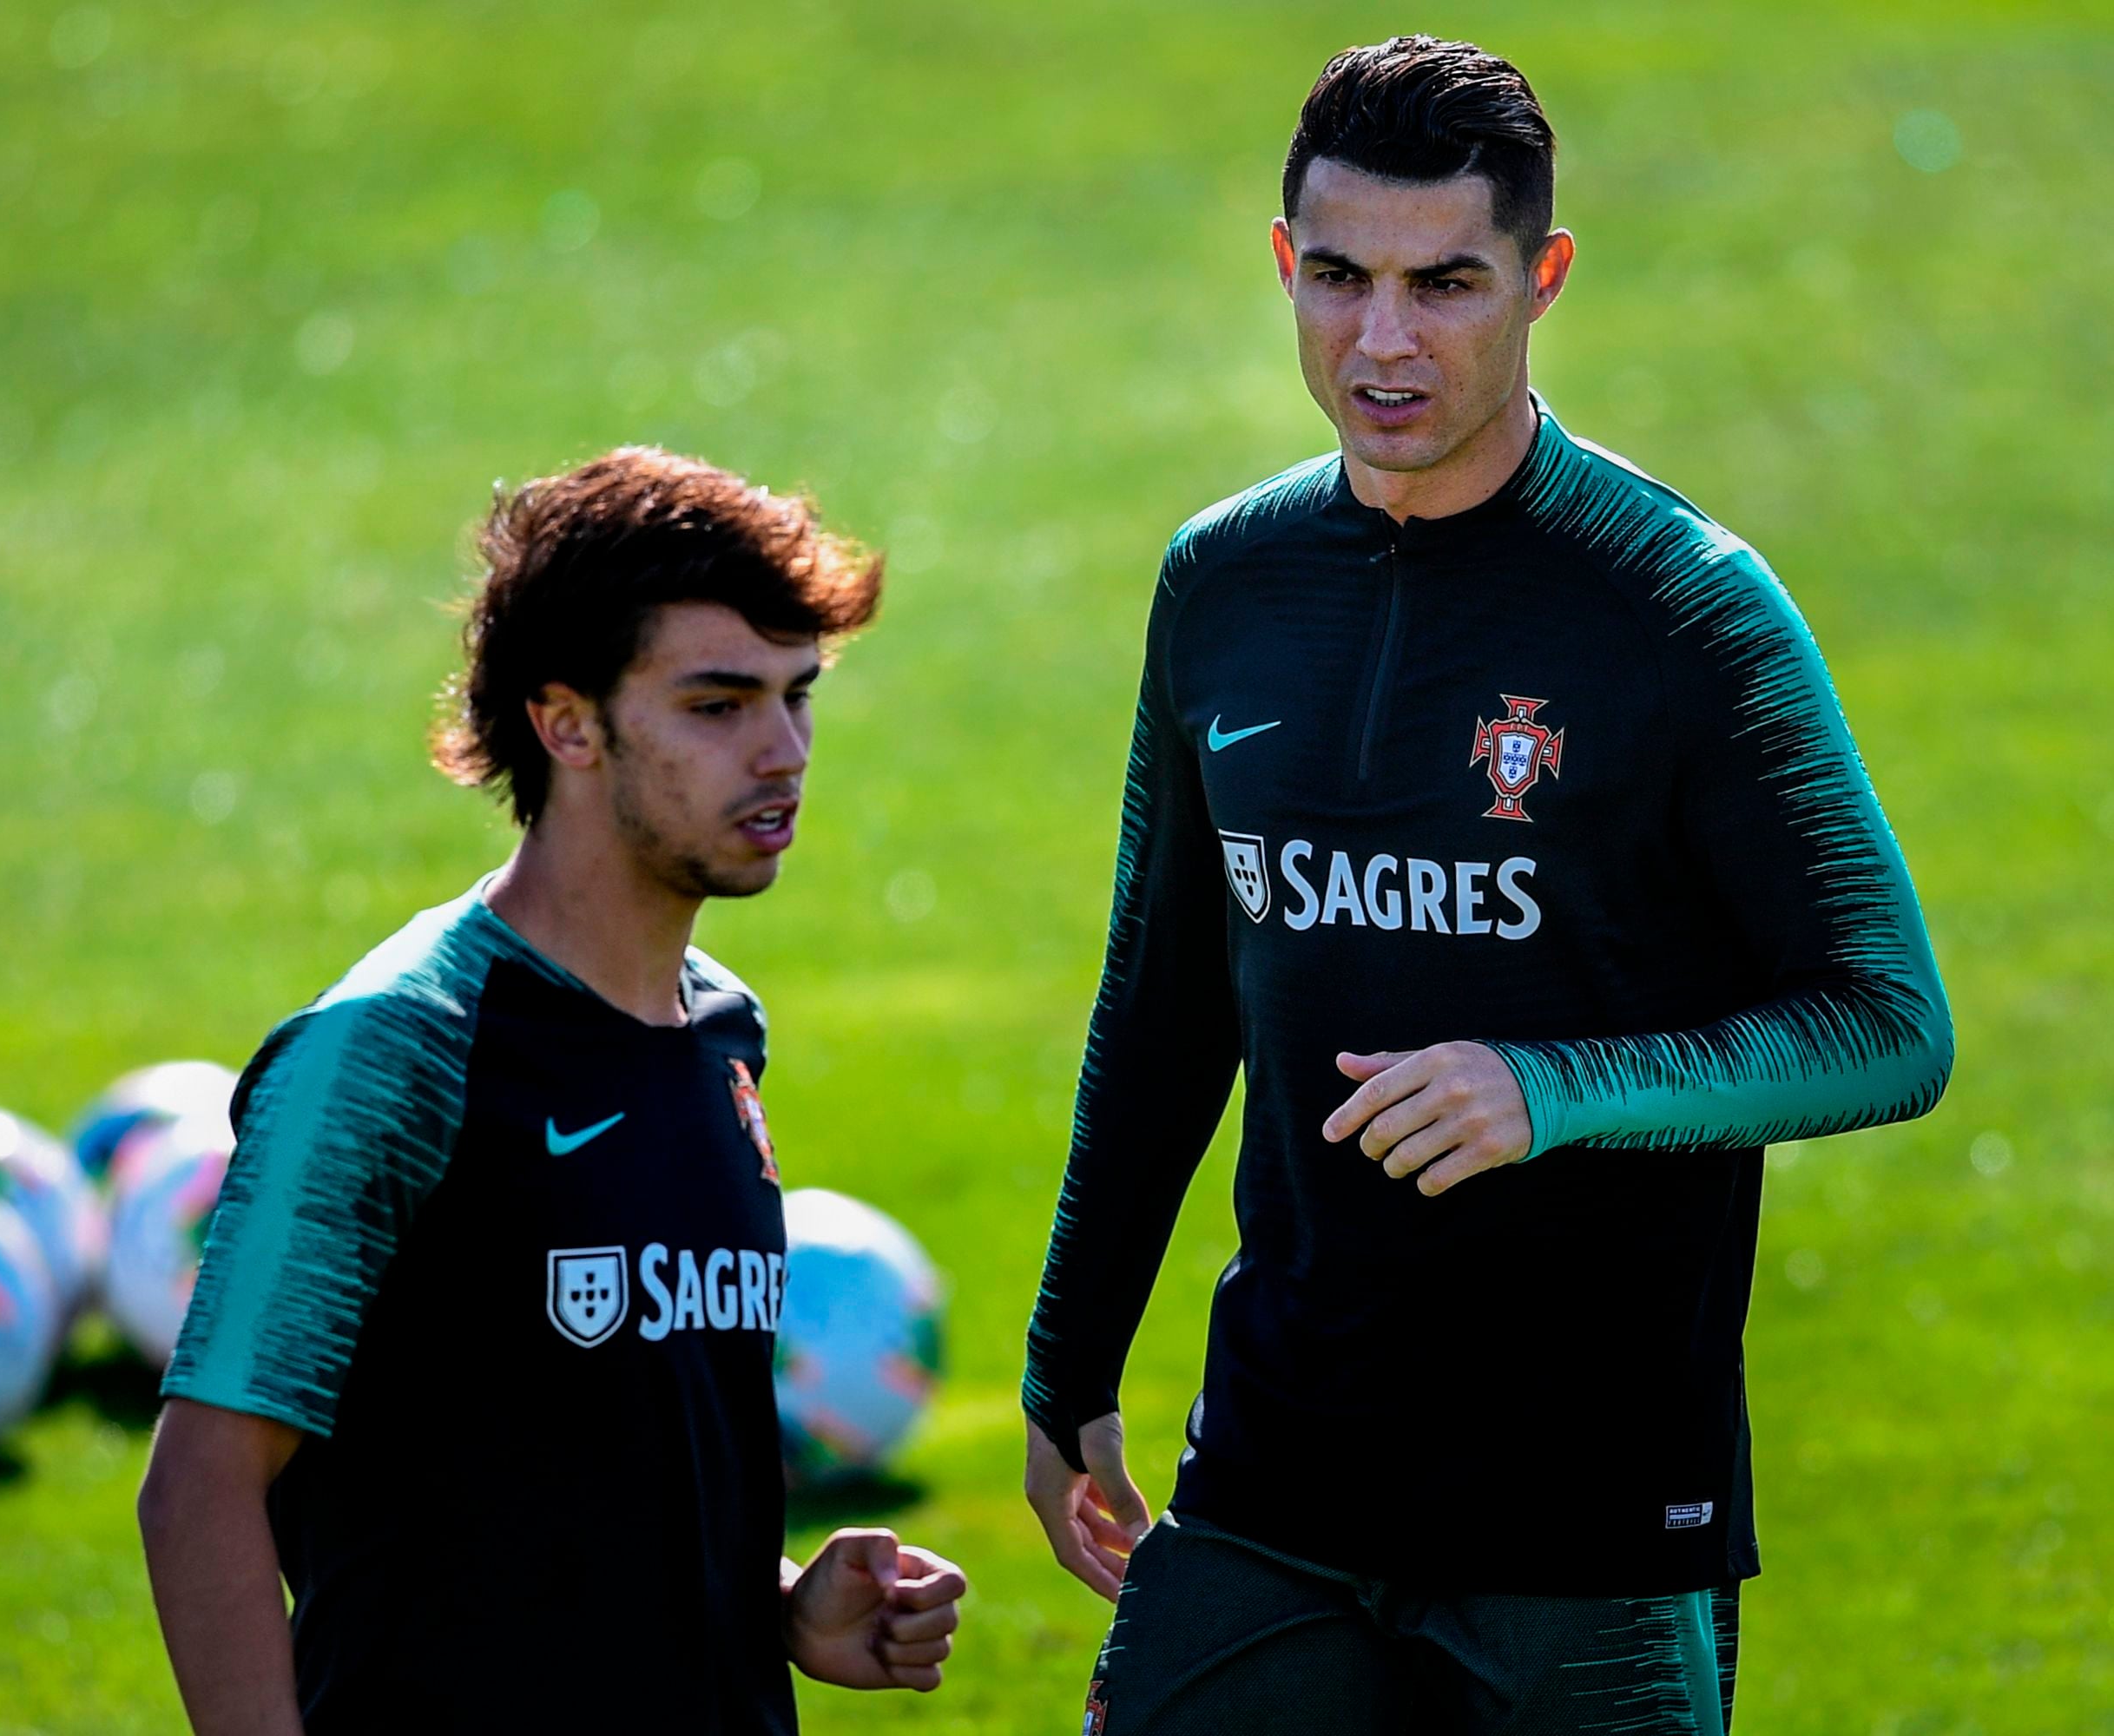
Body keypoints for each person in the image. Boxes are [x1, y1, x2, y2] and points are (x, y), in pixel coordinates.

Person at [1021, 36, 1953, 1734]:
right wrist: (1068, 1360)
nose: (1385, 339)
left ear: (1543, 278)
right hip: (1277, 1481)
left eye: (1447, 283)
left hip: (1586, 1518)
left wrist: (1556, 1090)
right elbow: (1166, 995)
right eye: (1340, 277)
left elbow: (1889, 1024)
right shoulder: (1224, 581)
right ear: (1282, 262)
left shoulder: (1683, 608)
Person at [139, 447, 966, 1734]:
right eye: (718, 704)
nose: (784, 751)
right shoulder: (395, 1051)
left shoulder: (721, 1035)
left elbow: (589, 1462)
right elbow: (199, 1486)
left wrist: (787, 1601)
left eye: (798, 697)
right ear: (566, 720)